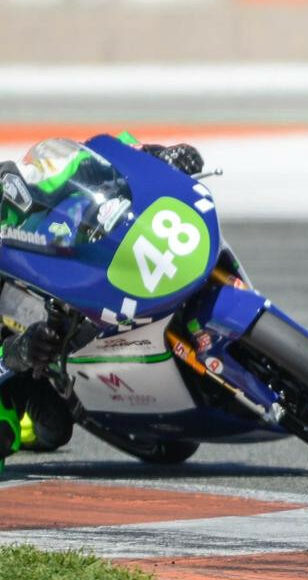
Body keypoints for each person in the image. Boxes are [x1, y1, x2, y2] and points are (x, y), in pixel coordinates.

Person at [0, 135, 204, 470]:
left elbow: (99, 159)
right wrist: (18, 353)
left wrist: (158, 155)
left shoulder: (18, 185)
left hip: (80, 285)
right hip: (21, 363)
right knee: (40, 426)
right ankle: (36, 423)